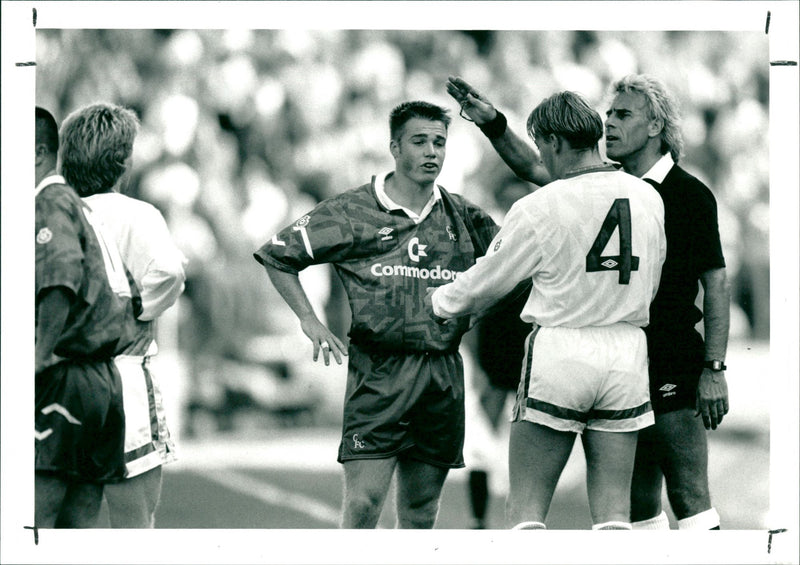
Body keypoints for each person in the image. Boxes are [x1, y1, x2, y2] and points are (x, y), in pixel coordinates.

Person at [448, 73, 730, 530]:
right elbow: (540, 168)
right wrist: (495, 124)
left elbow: (716, 286)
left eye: (622, 114)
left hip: (672, 358)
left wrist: (714, 369)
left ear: (655, 125)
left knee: (689, 493)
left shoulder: (690, 195)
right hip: (625, 358)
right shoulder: (607, 182)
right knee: (638, 502)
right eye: (608, 114)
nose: (609, 123)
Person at [254, 101, 501, 529]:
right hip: (379, 374)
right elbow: (278, 255)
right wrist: (309, 320)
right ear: (394, 147)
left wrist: (477, 309)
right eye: (420, 141)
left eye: (439, 143)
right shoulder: (354, 210)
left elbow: (510, 267)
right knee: (365, 505)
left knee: (421, 514)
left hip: (441, 376)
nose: (432, 152)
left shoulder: (465, 216)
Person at [59, 102, 187, 528]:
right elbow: (169, 272)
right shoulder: (139, 214)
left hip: (63, 376)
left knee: (67, 518)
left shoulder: (52, 214)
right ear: (123, 161)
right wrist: (136, 308)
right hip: (123, 375)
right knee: (134, 519)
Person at [34, 107, 134, 527]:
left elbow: (61, 278)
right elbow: (128, 290)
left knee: (36, 517)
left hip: (66, 374)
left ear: (36, 152)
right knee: (79, 527)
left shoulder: (50, 202)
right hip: (104, 382)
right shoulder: (82, 209)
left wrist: (38, 357)